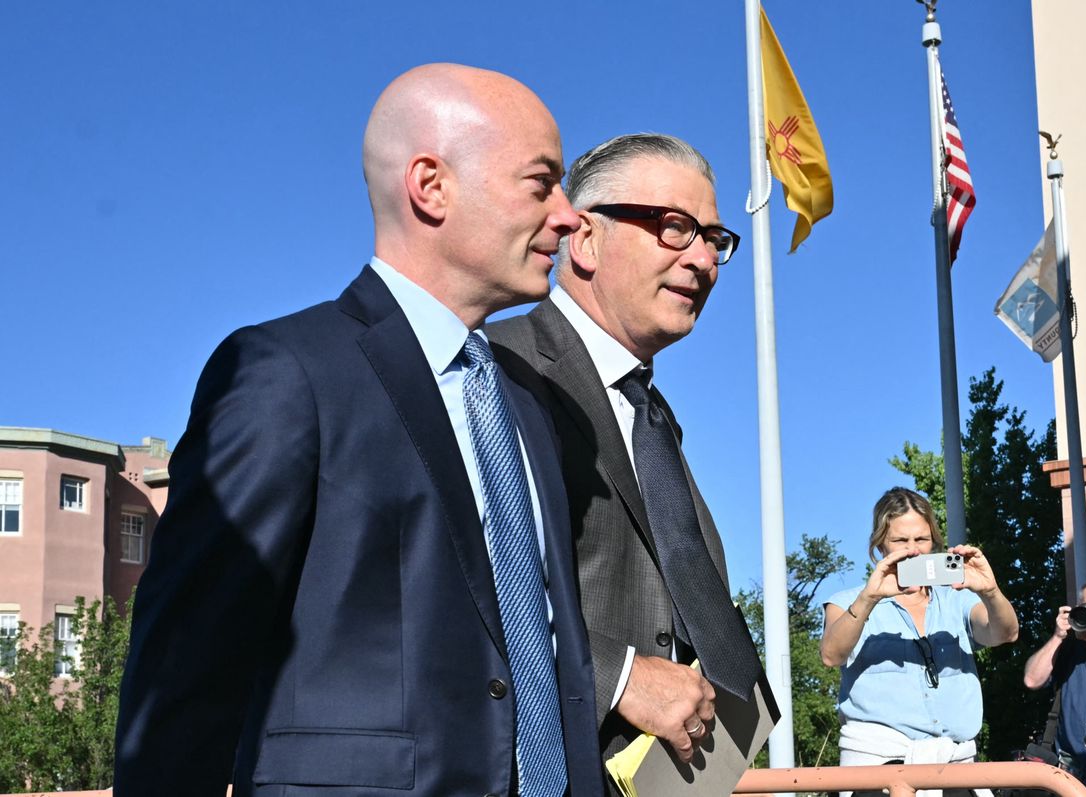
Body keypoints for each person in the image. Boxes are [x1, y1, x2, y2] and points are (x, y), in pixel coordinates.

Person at [113, 64, 605, 797]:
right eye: (542, 184)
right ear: (431, 186)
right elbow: (186, 668)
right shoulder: (287, 371)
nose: (568, 216)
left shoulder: (527, 407)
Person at [488, 133, 765, 771]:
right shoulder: (496, 368)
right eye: (675, 228)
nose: (704, 260)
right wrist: (618, 677)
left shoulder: (653, 414)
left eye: (714, 239)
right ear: (586, 239)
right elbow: (452, 582)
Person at [819, 487, 1019, 797]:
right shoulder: (847, 602)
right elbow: (831, 655)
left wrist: (989, 591)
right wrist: (870, 598)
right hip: (878, 771)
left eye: (921, 539)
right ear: (880, 544)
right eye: (900, 540)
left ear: (934, 541)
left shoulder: (956, 599)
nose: (912, 550)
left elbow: (1005, 633)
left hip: (955, 770)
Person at [1022, 580, 1086, 796]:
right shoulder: (1067, 647)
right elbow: (1031, 680)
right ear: (1078, 608)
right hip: (1068, 773)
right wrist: (1058, 636)